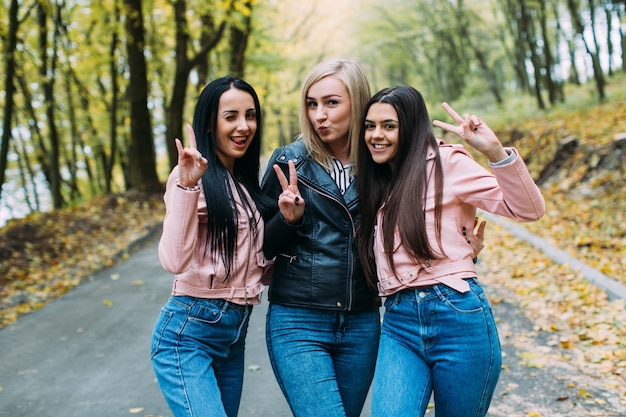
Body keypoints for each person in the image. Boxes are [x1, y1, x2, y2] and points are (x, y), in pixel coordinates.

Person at [261, 60, 486, 417]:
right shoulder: (289, 161)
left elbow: (420, 222)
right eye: (311, 103)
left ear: (358, 101)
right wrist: (288, 221)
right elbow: (261, 245)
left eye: (332, 102)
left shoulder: (384, 162)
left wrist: (463, 251)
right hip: (298, 320)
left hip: (363, 321)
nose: (320, 114)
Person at [355, 85, 545, 417]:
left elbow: (528, 209)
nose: (376, 135)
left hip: (457, 316)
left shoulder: (447, 164)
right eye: (370, 126)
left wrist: (495, 151)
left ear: (411, 126)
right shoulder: (378, 178)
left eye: (389, 125)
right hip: (399, 322)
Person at [150, 76, 279, 417]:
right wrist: (187, 187)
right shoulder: (192, 179)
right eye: (231, 116)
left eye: (250, 116)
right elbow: (174, 260)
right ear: (210, 123)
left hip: (232, 339)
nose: (243, 126)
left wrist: (290, 223)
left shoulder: (244, 185)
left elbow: (258, 268)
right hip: (186, 338)